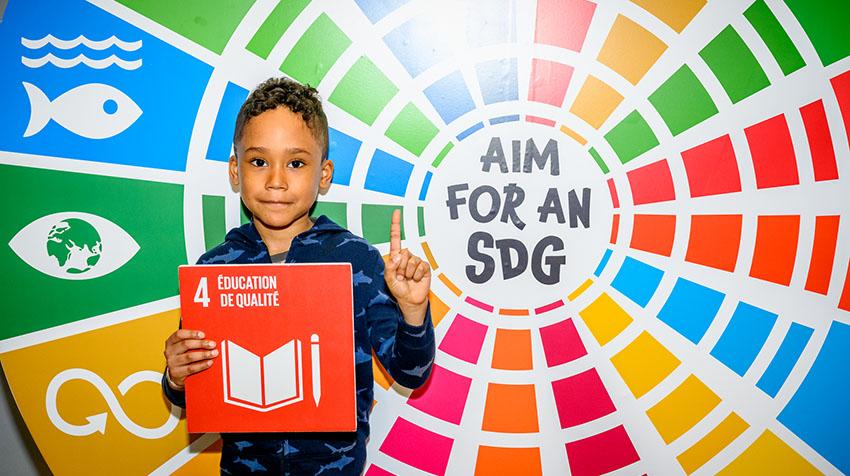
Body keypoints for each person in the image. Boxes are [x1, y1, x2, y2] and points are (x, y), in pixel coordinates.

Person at [161, 77, 435, 475]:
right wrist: (176, 375)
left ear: (323, 175)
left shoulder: (356, 260)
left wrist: (413, 310)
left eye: (295, 163)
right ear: (235, 171)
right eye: (258, 162)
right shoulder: (215, 269)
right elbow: (191, 394)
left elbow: (411, 371)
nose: (276, 180)